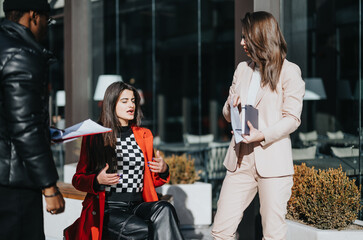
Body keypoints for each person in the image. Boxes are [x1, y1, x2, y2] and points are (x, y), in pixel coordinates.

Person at [211, 11, 305, 240]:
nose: (242, 42)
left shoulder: (289, 71)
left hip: (272, 161)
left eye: (246, 37)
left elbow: (292, 118)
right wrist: (231, 106)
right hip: (240, 159)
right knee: (220, 231)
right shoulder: (242, 69)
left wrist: (262, 135)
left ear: (261, 37)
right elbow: (226, 110)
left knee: (273, 234)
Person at [64, 82, 184, 240]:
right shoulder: (95, 135)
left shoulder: (144, 135)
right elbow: (78, 180)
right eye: (125, 101)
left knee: (165, 208)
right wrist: (97, 180)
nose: (131, 105)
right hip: (109, 209)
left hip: (138, 205)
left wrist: (163, 169)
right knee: (146, 231)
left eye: (133, 101)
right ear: (111, 103)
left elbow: (151, 181)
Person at [0, 0, 65, 240]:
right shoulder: (21, 54)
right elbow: (24, 126)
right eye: (48, 21)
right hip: (13, 183)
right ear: (33, 16)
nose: (47, 28)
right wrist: (49, 186)